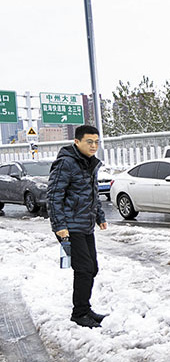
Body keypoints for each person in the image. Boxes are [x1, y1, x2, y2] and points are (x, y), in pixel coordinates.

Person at [46, 125, 108, 328]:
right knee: (84, 269)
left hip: (86, 224)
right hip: (70, 226)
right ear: (77, 142)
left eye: (96, 142)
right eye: (89, 142)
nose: (93, 146)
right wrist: (59, 226)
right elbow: (54, 196)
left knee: (92, 268)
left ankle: (85, 308)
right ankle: (79, 313)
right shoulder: (66, 163)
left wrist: (99, 216)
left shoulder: (88, 163)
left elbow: (92, 194)